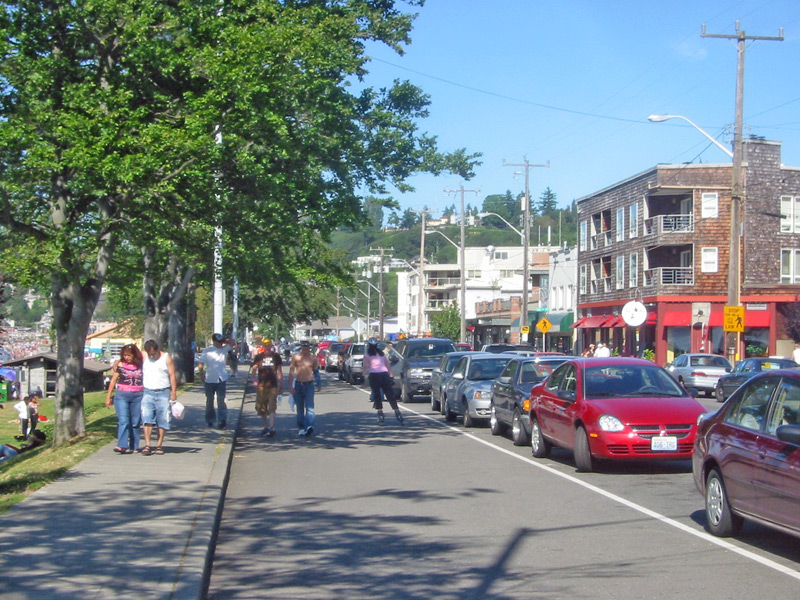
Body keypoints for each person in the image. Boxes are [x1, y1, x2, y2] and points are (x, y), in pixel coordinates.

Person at [105, 344, 145, 454]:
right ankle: (122, 445)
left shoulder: (141, 365)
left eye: (129, 355)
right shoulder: (120, 365)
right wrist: (108, 396)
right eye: (124, 355)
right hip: (122, 395)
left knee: (135, 422)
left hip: (138, 395)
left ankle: (134, 445)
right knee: (124, 420)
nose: (127, 357)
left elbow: (146, 352)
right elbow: (113, 381)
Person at [141, 340, 178, 456]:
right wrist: (118, 361)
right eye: (149, 354)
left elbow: (172, 375)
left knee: (162, 419)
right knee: (147, 419)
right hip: (148, 391)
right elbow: (129, 354)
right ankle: (147, 444)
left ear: (158, 350)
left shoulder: (166, 358)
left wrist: (173, 392)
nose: (151, 356)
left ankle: (159, 445)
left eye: (153, 354)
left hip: (163, 391)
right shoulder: (144, 356)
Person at [362, 337, 403, 425]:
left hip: (374, 375)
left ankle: (380, 414)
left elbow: (365, 367)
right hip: (384, 375)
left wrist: (362, 379)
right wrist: (391, 377)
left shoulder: (367, 355)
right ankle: (397, 412)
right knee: (390, 395)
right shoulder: (382, 354)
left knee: (377, 395)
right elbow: (388, 366)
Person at [198, 333, 235, 429]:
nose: (220, 344)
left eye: (221, 342)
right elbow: (201, 364)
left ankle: (222, 420)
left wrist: (224, 340)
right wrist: (201, 374)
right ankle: (210, 420)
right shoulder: (207, 351)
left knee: (221, 400)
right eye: (218, 342)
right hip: (209, 379)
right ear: (214, 341)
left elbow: (232, 342)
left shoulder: (223, 349)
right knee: (209, 401)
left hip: (221, 379)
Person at [250, 340, 284, 437]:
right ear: (263, 346)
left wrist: (282, 385)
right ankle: (266, 426)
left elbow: (279, 371)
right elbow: (254, 368)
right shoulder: (259, 357)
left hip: (273, 385)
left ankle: (272, 427)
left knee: (272, 406)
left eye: (269, 345)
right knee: (262, 408)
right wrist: (254, 379)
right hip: (262, 385)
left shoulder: (276, 357)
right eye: (265, 345)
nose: (267, 347)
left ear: (272, 346)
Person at [288, 341, 322, 436]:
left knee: (310, 407)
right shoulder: (296, 358)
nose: (305, 350)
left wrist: (319, 383)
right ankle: (302, 427)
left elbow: (316, 372)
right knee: (300, 408)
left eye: (307, 348)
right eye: (304, 348)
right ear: (301, 348)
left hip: (309, 385)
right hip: (299, 384)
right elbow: (291, 371)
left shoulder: (312, 358)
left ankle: (310, 426)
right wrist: (290, 386)